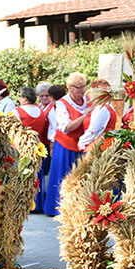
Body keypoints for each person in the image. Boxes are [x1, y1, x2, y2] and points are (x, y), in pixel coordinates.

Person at [44, 73, 91, 216]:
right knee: (62, 177)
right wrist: (84, 116)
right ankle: (57, 208)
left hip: (82, 145)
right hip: (65, 145)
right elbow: (66, 127)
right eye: (79, 87)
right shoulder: (62, 103)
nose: (83, 90)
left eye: (84, 86)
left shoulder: (88, 100)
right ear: (70, 88)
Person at [15, 87, 47, 212]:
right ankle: (37, 203)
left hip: (21, 146)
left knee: (23, 174)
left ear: (25, 98)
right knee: (36, 174)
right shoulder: (42, 112)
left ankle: (23, 203)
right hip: (37, 146)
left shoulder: (17, 111)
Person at [78, 80, 116, 151]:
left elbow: (94, 131)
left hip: (96, 146)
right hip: (100, 144)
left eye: (91, 91)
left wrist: (82, 142)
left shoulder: (101, 109)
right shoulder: (106, 106)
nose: (89, 94)